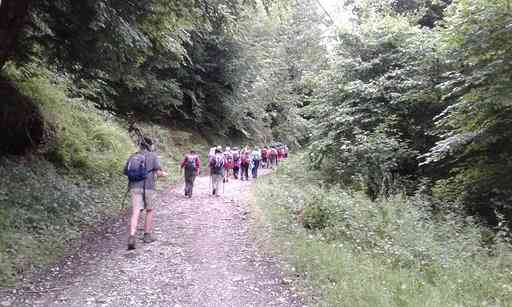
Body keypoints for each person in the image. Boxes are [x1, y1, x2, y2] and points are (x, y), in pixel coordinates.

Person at [124, 137, 168, 250]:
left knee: (135, 211)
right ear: (150, 145)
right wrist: (164, 174)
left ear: (140, 145)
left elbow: (125, 171)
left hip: (134, 187)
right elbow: (158, 172)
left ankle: (132, 236)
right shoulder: (153, 156)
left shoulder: (133, 156)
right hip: (149, 187)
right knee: (150, 210)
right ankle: (147, 235)